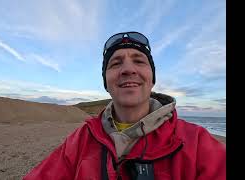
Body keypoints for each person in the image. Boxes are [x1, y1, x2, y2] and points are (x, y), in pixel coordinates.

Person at [23, 31, 226, 180]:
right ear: (106, 81)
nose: (128, 69)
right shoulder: (81, 140)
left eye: (139, 61)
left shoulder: (198, 143)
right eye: (116, 63)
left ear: (152, 78)